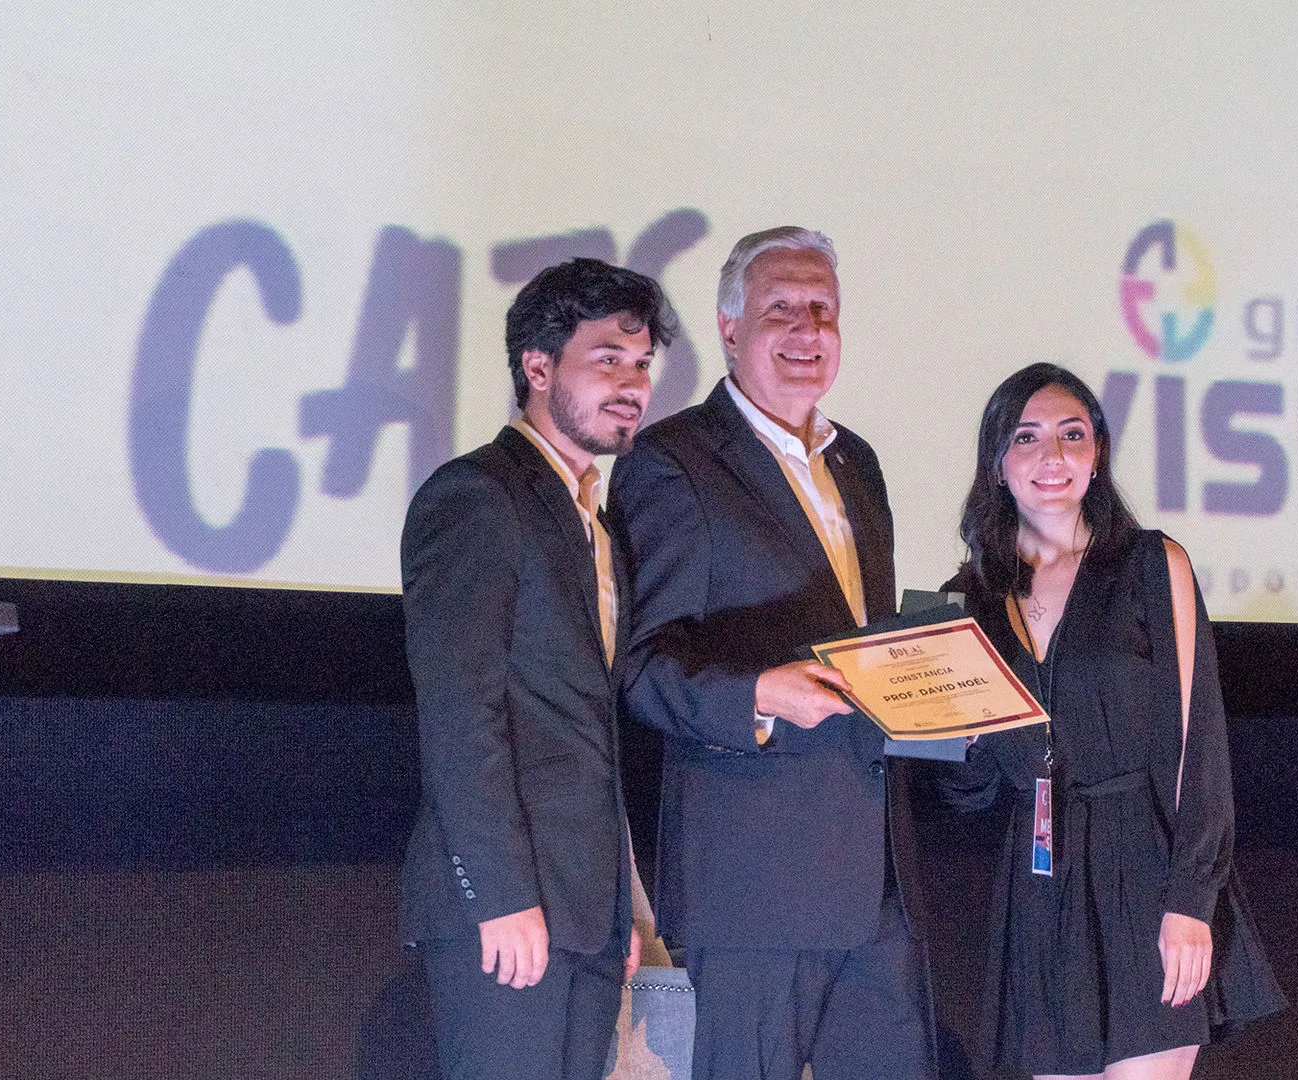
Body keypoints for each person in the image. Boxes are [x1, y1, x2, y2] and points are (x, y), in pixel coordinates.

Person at [606, 227, 934, 1080]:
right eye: (781, 306)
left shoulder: (856, 463)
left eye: (822, 309)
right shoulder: (674, 462)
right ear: (728, 326)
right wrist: (759, 694)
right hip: (750, 884)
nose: (806, 328)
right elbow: (642, 668)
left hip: (877, 884)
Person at [936, 362, 1284, 1080]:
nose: (1053, 456)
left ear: (1097, 454)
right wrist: (955, 735)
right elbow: (967, 793)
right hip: (1036, 885)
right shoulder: (964, 600)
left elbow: (1198, 746)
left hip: (1147, 870)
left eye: (1072, 434)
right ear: (998, 464)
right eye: (1027, 438)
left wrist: (1191, 901)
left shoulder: (1153, 563)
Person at [399, 257, 674, 1080]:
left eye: (642, 366)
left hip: (582, 914)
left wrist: (609, 907)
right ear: (538, 365)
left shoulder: (591, 518)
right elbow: (460, 712)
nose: (632, 384)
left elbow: (581, 730)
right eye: (608, 360)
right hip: (507, 909)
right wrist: (503, 896)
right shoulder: (479, 497)